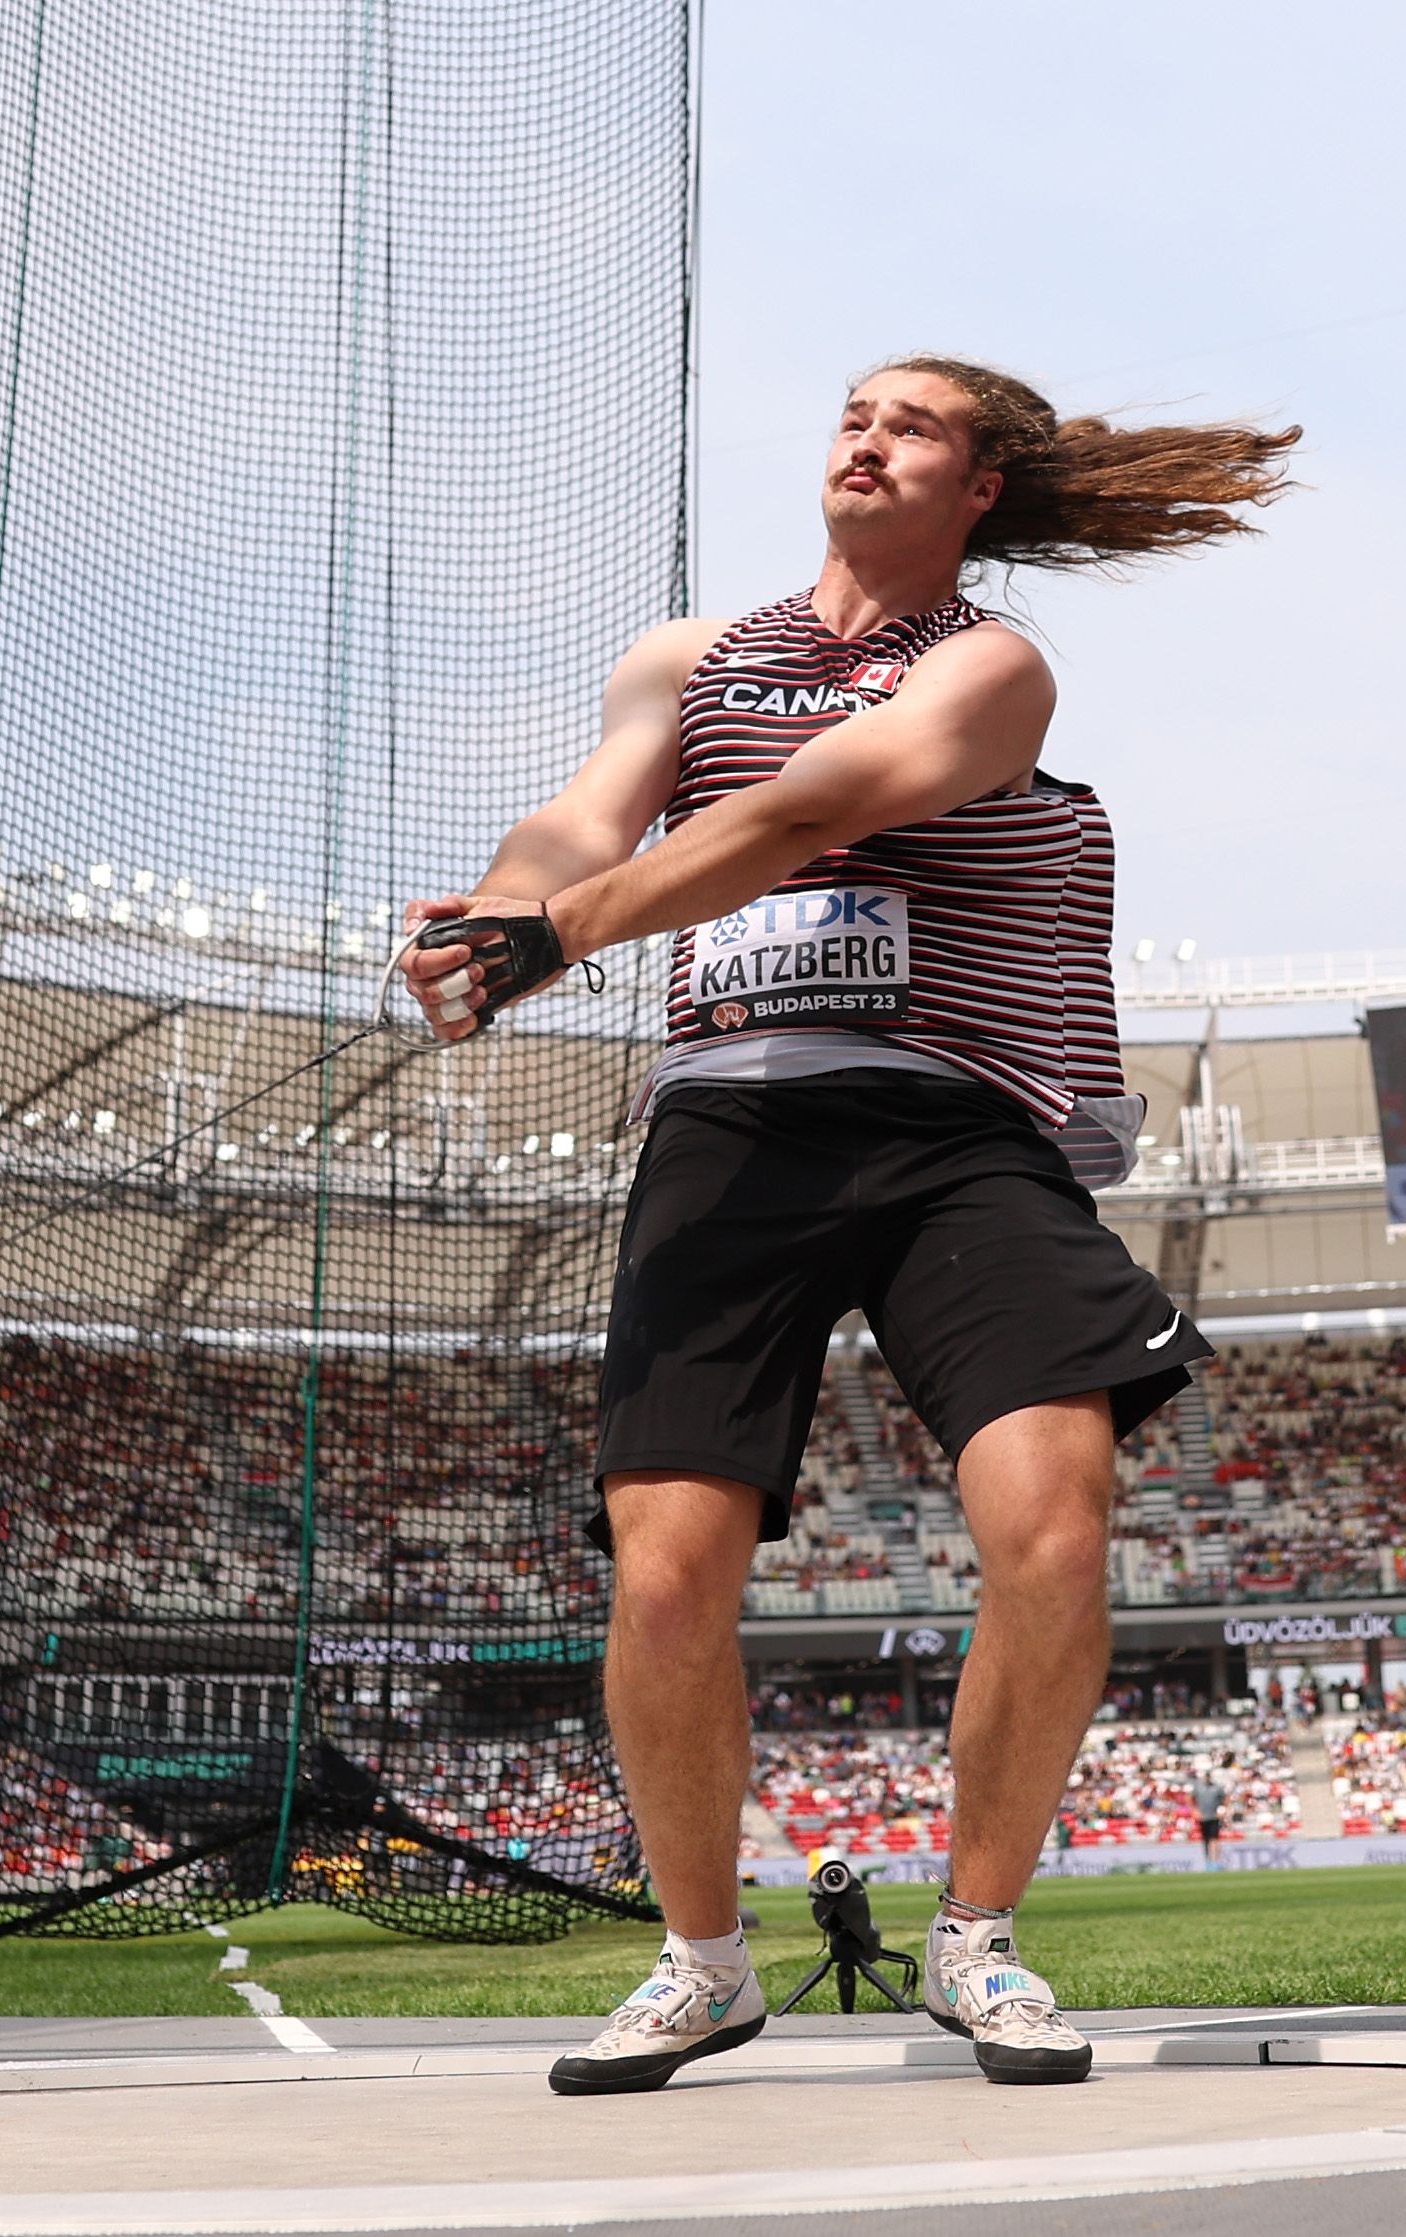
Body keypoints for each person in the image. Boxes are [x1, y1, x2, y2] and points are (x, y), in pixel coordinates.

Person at [400, 356, 1292, 2091]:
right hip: (730, 1128)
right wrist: (508, 902)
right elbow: (584, 816)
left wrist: (565, 936)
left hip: (950, 1122)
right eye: (851, 413)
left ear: (980, 487)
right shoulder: (689, 656)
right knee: (665, 1575)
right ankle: (703, 1962)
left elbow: (807, 811)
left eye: (914, 423)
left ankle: (975, 1937)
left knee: (1053, 1517)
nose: (865, 436)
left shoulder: (990, 666)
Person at [1192, 1770, 1226, 1870]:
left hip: (1214, 1817)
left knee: (1214, 1840)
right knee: (1205, 1840)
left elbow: (1225, 1799)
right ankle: (1207, 1862)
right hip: (1203, 1818)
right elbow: (1190, 1799)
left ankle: (1215, 1862)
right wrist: (1195, 1810)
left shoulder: (1217, 1788)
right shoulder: (1198, 1787)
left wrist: (1222, 1810)